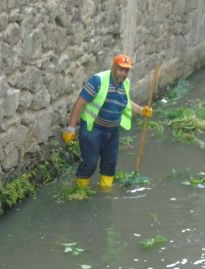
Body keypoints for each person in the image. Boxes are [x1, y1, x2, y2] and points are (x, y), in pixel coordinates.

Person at [62, 54, 153, 189]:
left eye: (126, 70)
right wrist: (71, 128)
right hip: (93, 129)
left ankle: (105, 193)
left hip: (112, 131)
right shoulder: (98, 81)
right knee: (90, 163)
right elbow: (79, 103)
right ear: (113, 67)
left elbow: (126, 101)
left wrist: (141, 110)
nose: (123, 74)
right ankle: (80, 190)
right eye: (120, 69)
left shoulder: (125, 84)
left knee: (110, 164)